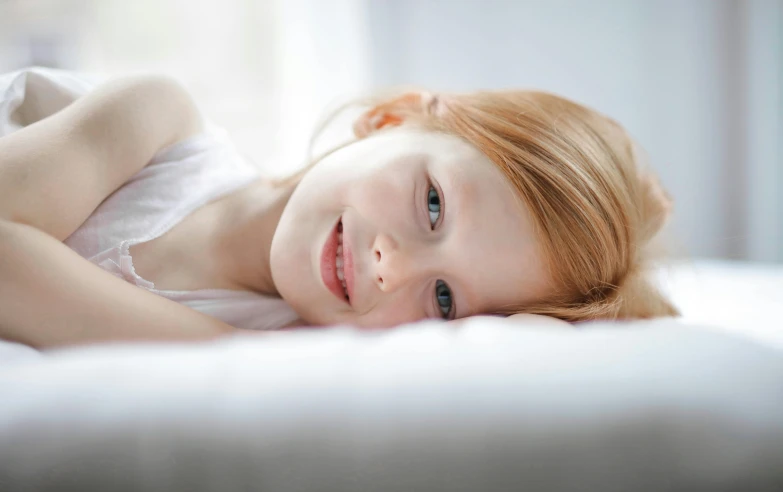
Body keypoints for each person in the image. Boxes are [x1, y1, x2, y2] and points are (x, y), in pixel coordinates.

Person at [0, 68, 677, 349]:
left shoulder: (301, 349)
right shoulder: (153, 123)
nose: (390, 266)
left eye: (443, 300)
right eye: (433, 204)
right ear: (389, 121)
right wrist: (221, 352)